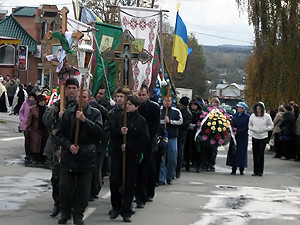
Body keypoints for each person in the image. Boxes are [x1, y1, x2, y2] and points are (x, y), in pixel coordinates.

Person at [55, 89, 103, 225]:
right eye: (79, 97)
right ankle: (65, 212)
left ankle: (78, 214)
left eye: (84, 97)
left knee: (83, 189)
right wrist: (69, 145)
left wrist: (85, 120)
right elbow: (59, 133)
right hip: (69, 157)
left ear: (89, 99)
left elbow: (99, 132)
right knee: (65, 187)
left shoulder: (95, 113)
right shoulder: (68, 113)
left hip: (86, 156)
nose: (81, 99)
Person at [107, 92, 149, 223]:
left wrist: (130, 146)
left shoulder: (141, 121)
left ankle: (126, 211)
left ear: (136, 107)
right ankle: (116, 206)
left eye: (130, 104)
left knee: (129, 184)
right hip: (117, 154)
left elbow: (144, 138)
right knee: (114, 181)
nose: (127, 106)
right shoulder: (119, 117)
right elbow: (111, 132)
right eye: (126, 104)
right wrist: (120, 132)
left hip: (131, 156)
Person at [42, 77, 79, 218]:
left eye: (74, 88)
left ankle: (70, 206)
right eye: (69, 88)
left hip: (74, 147)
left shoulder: (80, 106)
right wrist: (56, 114)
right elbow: (47, 122)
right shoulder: (58, 105)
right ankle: (57, 203)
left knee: (73, 180)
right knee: (57, 179)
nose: (71, 91)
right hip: (58, 147)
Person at [135, 85, 160, 208]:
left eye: (143, 95)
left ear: (148, 95)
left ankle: (146, 194)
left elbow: (154, 127)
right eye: (139, 95)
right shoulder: (134, 106)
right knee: (136, 170)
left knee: (147, 169)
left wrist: (147, 139)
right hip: (135, 142)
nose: (141, 97)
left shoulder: (154, 108)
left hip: (149, 143)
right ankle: (137, 194)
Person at [158, 96, 183, 185]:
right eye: (165, 100)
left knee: (172, 158)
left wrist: (170, 121)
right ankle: (161, 178)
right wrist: (163, 122)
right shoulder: (159, 110)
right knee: (162, 158)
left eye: (169, 100)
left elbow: (180, 121)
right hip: (162, 138)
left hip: (172, 138)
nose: (167, 102)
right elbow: (157, 121)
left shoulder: (176, 111)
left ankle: (169, 176)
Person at [249, 102, 273, 176]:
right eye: (257, 109)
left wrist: (265, 129)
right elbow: (250, 125)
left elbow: (271, 125)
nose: (258, 110)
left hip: (263, 137)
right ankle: (255, 171)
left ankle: (260, 171)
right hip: (255, 136)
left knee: (261, 154)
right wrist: (253, 129)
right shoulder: (253, 116)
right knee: (255, 154)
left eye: (259, 109)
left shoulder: (267, 116)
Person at [226, 102, 250, 175]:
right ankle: (233, 167)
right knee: (234, 152)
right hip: (234, 137)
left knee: (241, 153)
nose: (238, 109)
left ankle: (241, 168)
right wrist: (232, 131)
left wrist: (239, 132)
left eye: (240, 107)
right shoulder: (234, 116)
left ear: (243, 109)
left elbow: (247, 127)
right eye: (238, 107)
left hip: (243, 137)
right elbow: (231, 125)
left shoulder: (247, 117)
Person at [25, 94, 49, 164]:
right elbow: (29, 120)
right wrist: (27, 129)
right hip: (36, 130)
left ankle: (42, 159)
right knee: (36, 145)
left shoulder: (47, 109)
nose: (42, 103)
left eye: (44, 101)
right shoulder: (33, 109)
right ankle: (35, 158)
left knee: (43, 145)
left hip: (45, 130)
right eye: (41, 101)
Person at [176, 96, 192, 178]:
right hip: (174, 134)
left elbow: (185, 125)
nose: (180, 106)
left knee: (179, 153)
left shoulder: (188, 114)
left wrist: (176, 123)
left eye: (182, 105)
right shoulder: (176, 110)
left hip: (182, 135)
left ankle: (178, 170)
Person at [185, 100, 202, 172]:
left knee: (198, 150)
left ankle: (198, 165)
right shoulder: (188, 112)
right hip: (189, 133)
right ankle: (187, 165)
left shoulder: (201, 113)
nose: (193, 106)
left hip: (198, 133)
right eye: (192, 105)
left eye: (195, 105)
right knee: (188, 149)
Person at [19, 92, 36, 161]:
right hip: (25, 124)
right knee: (27, 139)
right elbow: (21, 111)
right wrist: (22, 119)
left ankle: (32, 153)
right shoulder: (25, 103)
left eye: (33, 97)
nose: (31, 99)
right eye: (30, 97)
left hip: (33, 125)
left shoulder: (36, 105)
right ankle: (27, 154)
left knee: (33, 140)